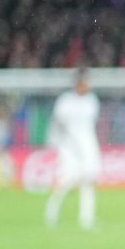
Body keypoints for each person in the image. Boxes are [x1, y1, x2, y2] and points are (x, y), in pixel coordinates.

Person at [45, 69, 100, 231]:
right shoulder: (65, 101)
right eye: (85, 83)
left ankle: (86, 218)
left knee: (89, 180)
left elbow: (90, 125)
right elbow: (59, 123)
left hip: (88, 145)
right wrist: (56, 142)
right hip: (69, 147)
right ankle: (53, 209)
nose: (87, 86)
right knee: (68, 180)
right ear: (78, 84)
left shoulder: (92, 100)